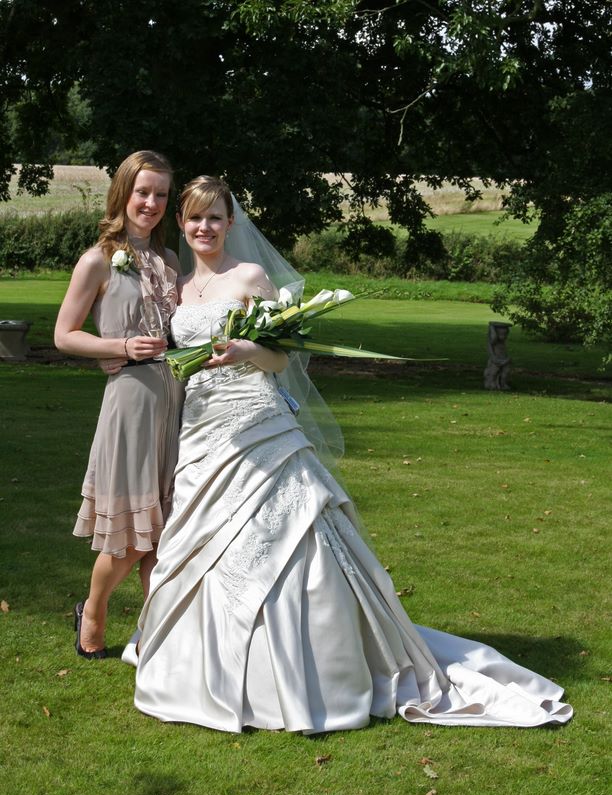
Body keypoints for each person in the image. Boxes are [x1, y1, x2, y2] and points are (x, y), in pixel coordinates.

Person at [134, 175, 572, 732]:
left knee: (284, 533)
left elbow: (280, 359)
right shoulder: (178, 286)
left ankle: (308, 666)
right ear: (181, 223)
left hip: (257, 421)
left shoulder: (250, 276)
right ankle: (201, 667)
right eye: (195, 218)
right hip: (201, 425)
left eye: (215, 217)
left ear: (230, 222)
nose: (205, 227)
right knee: (201, 537)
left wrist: (246, 349)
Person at [54, 150, 184, 659]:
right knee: (130, 537)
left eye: (161, 194)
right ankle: (93, 610)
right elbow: (64, 335)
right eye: (142, 192)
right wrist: (121, 346)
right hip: (130, 404)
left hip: (175, 403)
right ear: (123, 193)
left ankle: (156, 638)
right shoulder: (98, 260)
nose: (151, 202)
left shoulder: (170, 261)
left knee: (166, 530)